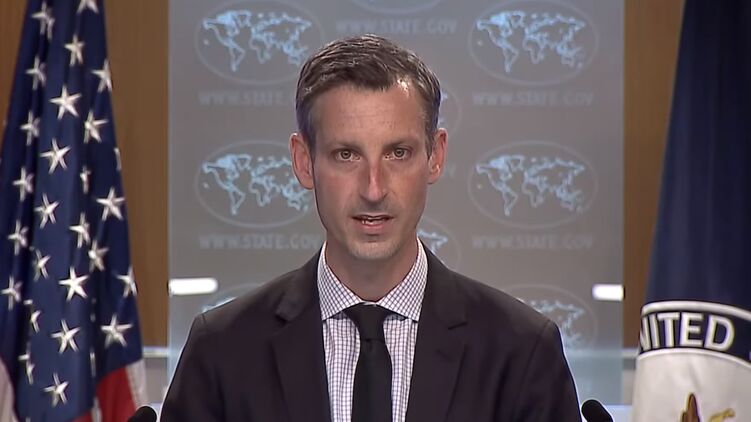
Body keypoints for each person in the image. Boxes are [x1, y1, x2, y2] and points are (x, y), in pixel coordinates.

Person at [160, 34, 581, 422]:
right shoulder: (222, 352)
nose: (374, 189)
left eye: (398, 153)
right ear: (304, 161)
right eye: (346, 155)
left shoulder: (521, 353)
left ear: (435, 156)